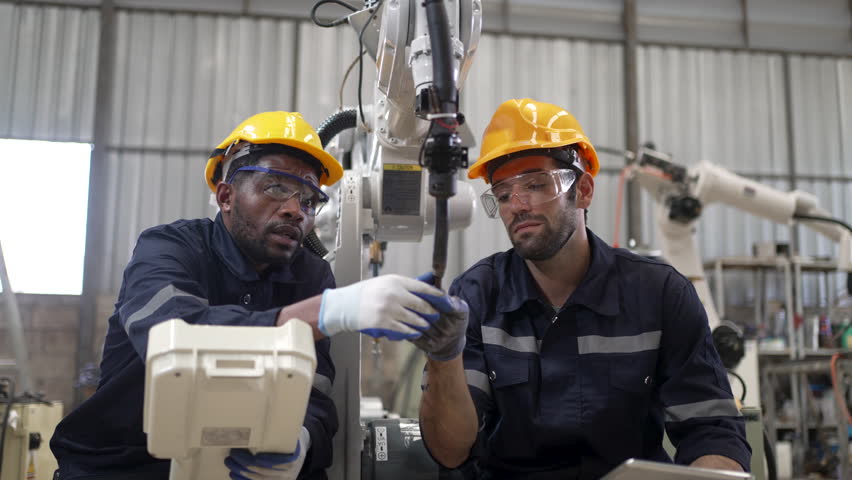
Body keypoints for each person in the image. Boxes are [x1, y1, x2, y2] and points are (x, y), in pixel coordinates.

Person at [50, 111, 451, 480]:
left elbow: (318, 393)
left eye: (310, 199)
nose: (297, 210)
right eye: (276, 187)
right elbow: (172, 334)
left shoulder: (311, 273)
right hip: (125, 467)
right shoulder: (170, 248)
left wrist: (303, 443)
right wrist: (327, 310)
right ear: (226, 196)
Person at [417, 99, 751, 479]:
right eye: (504, 194)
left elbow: (712, 431)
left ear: (585, 190)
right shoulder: (476, 295)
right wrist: (442, 356)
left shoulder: (659, 294)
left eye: (536, 185)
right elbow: (450, 450)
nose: (517, 205)